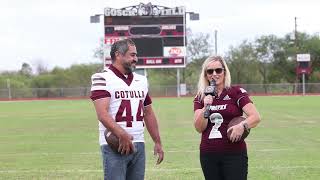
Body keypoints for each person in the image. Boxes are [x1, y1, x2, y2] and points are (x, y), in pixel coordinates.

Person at [90, 39, 164, 180]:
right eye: (132, 55)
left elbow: (148, 113)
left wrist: (157, 141)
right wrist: (121, 134)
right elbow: (102, 114)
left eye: (136, 55)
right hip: (115, 144)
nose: (135, 59)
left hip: (138, 143)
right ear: (118, 55)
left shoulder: (141, 80)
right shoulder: (102, 78)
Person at [193, 56, 261, 180]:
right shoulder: (201, 96)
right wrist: (205, 107)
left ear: (224, 72)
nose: (214, 74)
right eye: (210, 71)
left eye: (218, 70)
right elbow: (199, 127)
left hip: (234, 154)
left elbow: (255, 117)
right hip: (208, 154)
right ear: (205, 74)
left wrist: (242, 125)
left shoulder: (236, 92)